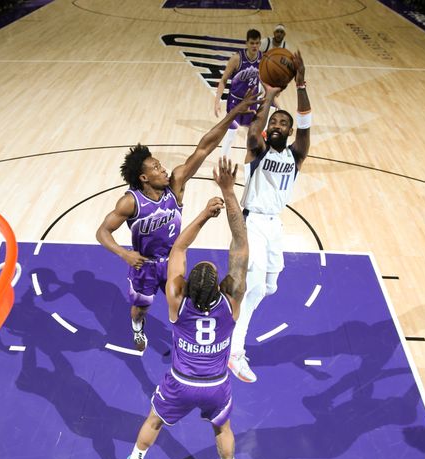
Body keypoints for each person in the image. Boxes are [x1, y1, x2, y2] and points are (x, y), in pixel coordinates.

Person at [124, 157, 248, 459]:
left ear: (186, 287)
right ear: (223, 288)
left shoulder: (177, 304)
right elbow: (240, 245)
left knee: (154, 421)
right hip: (214, 386)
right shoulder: (231, 305)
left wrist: (204, 216)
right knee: (222, 429)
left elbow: (178, 247)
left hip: (181, 383)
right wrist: (227, 192)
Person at [96, 91, 259, 353]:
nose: (164, 169)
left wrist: (234, 113)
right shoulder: (131, 202)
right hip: (145, 265)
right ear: (144, 178)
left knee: (188, 304)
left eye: (161, 166)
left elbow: (204, 146)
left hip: (174, 260)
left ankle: (187, 340)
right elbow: (102, 231)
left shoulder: (177, 184)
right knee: (140, 309)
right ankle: (138, 328)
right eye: (157, 168)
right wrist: (124, 254)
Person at [228, 51, 310, 384]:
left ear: (290, 132)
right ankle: (234, 352)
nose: (277, 125)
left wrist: (301, 83)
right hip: (252, 223)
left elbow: (306, 125)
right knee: (255, 288)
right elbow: (253, 132)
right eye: (274, 122)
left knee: (270, 286)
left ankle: (230, 299)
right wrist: (270, 99)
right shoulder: (257, 151)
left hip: (275, 224)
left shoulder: (296, 154)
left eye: (283, 123)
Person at [213, 29, 262, 157]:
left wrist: (273, 99)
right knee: (230, 134)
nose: (254, 46)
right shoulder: (236, 59)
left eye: (257, 43)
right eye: (252, 43)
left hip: (251, 103)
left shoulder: (263, 59)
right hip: (235, 102)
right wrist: (217, 101)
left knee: (251, 137)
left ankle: (250, 166)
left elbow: (265, 82)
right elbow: (223, 80)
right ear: (246, 43)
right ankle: (221, 164)